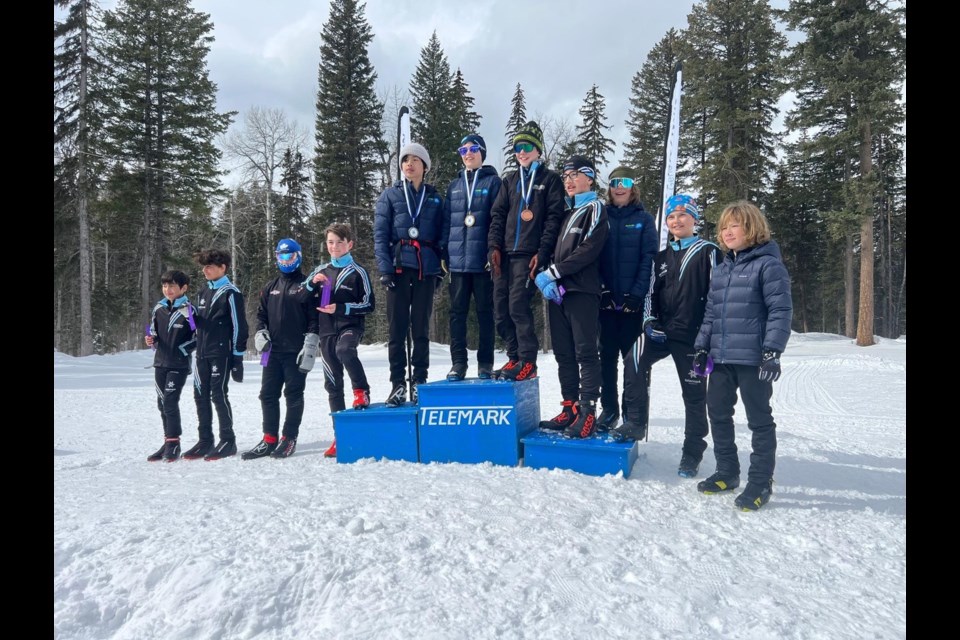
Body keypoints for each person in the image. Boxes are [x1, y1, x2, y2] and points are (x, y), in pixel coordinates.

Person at [610, 194, 718, 481]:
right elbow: (650, 295)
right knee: (634, 358)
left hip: (694, 338)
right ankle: (634, 421)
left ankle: (693, 450)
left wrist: (708, 337)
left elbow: (718, 297)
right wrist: (648, 321)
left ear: (694, 219)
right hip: (661, 332)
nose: (676, 221)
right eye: (671, 217)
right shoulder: (661, 257)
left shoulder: (709, 251)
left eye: (682, 215)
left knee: (694, 395)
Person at [693, 201, 792, 511]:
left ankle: (761, 481)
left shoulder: (768, 265)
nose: (727, 231)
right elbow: (711, 314)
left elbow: (780, 310)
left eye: (734, 225)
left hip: (753, 358)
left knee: (759, 419)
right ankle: (727, 471)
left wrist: (772, 351)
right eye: (723, 227)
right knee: (718, 413)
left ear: (752, 228)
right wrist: (701, 347)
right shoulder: (722, 270)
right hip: (721, 359)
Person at [534, 155, 609, 438]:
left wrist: (553, 272)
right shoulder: (566, 212)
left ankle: (588, 412)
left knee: (585, 352)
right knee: (563, 354)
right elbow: (552, 249)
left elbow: (589, 249)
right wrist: (545, 278)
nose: (568, 180)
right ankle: (570, 408)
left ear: (589, 177)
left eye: (575, 174)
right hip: (558, 294)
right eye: (565, 175)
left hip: (582, 291)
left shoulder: (595, 208)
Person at [487, 121, 565, 381]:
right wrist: (494, 247)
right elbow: (497, 215)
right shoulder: (509, 180)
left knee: (518, 306)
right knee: (500, 309)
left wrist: (542, 253)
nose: (522, 152)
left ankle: (528, 361)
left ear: (538, 149)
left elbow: (554, 218)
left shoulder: (550, 179)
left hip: (529, 254)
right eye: (518, 147)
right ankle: (514, 357)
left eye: (527, 147)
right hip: (505, 254)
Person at [374, 142, 446, 406]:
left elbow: (443, 235)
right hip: (398, 270)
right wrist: (385, 269)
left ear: (424, 166)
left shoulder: (436, 198)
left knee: (421, 329)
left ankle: (419, 381)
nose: (409, 164)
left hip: (425, 270)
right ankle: (397, 384)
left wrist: (439, 269)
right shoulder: (390, 196)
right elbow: (380, 235)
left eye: (416, 160)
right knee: (397, 330)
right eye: (406, 160)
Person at [241, 238, 319, 461]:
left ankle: (289, 438)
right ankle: (269, 439)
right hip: (271, 352)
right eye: (281, 256)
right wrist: (260, 333)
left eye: (290, 256)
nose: (285, 261)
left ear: (299, 257)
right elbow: (261, 316)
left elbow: (315, 319)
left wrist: (311, 345)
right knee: (267, 394)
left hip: (296, 351)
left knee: (293, 394)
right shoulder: (269, 287)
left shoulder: (307, 286)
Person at [596, 166, 659, 435]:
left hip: (633, 304)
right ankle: (609, 409)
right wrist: (603, 290)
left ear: (633, 186)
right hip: (606, 303)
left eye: (624, 182)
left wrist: (637, 292)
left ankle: (633, 416)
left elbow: (649, 259)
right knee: (606, 358)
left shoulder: (644, 219)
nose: (619, 187)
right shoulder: (601, 216)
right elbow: (594, 254)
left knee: (633, 363)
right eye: (614, 183)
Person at [305, 223, 375, 458]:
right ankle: (340, 437)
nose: (334, 247)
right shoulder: (321, 270)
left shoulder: (358, 272)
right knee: (333, 384)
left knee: (345, 350)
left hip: (349, 327)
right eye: (330, 242)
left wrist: (342, 307)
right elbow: (304, 297)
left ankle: (361, 390)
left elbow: (369, 304)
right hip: (326, 332)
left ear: (350, 244)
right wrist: (311, 283)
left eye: (339, 242)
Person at [442, 133, 502, 381]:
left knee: (485, 312)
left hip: (482, 260)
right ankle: (458, 363)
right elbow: (446, 222)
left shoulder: (493, 182)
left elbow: (497, 219)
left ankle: (485, 362)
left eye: (473, 149)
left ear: (482, 153)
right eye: (463, 150)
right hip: (457, 262)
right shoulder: (454, 186)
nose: (468, 153)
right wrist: (443, 252)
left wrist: (493, 249)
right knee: (457, 313)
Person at [183, 248, 248, 461]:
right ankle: (205, 440)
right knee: (199, 395)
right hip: (202, 352)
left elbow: (240, 326)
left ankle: (228, 440)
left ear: (223, 268)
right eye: (203, 266)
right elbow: (198, 324)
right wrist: (190, 316)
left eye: (210, 266)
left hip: (221, 352)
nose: (205, 270)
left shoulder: (231, 292)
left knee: (218, 394)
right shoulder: (203, 292)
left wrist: (237, 357)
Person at [145, 270, 197, 462]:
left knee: (169, 402)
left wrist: (183, 350)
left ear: (183, 288)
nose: (168, 289)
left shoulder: (190, 310)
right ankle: (167, 441)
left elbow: (198, 337)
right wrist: (151, 340)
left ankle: (174, 443)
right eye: (165, 286)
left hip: (179, 364)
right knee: (161, 403)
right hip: (160, 363)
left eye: (172, 286)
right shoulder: (158, 308)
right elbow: (154, 332)